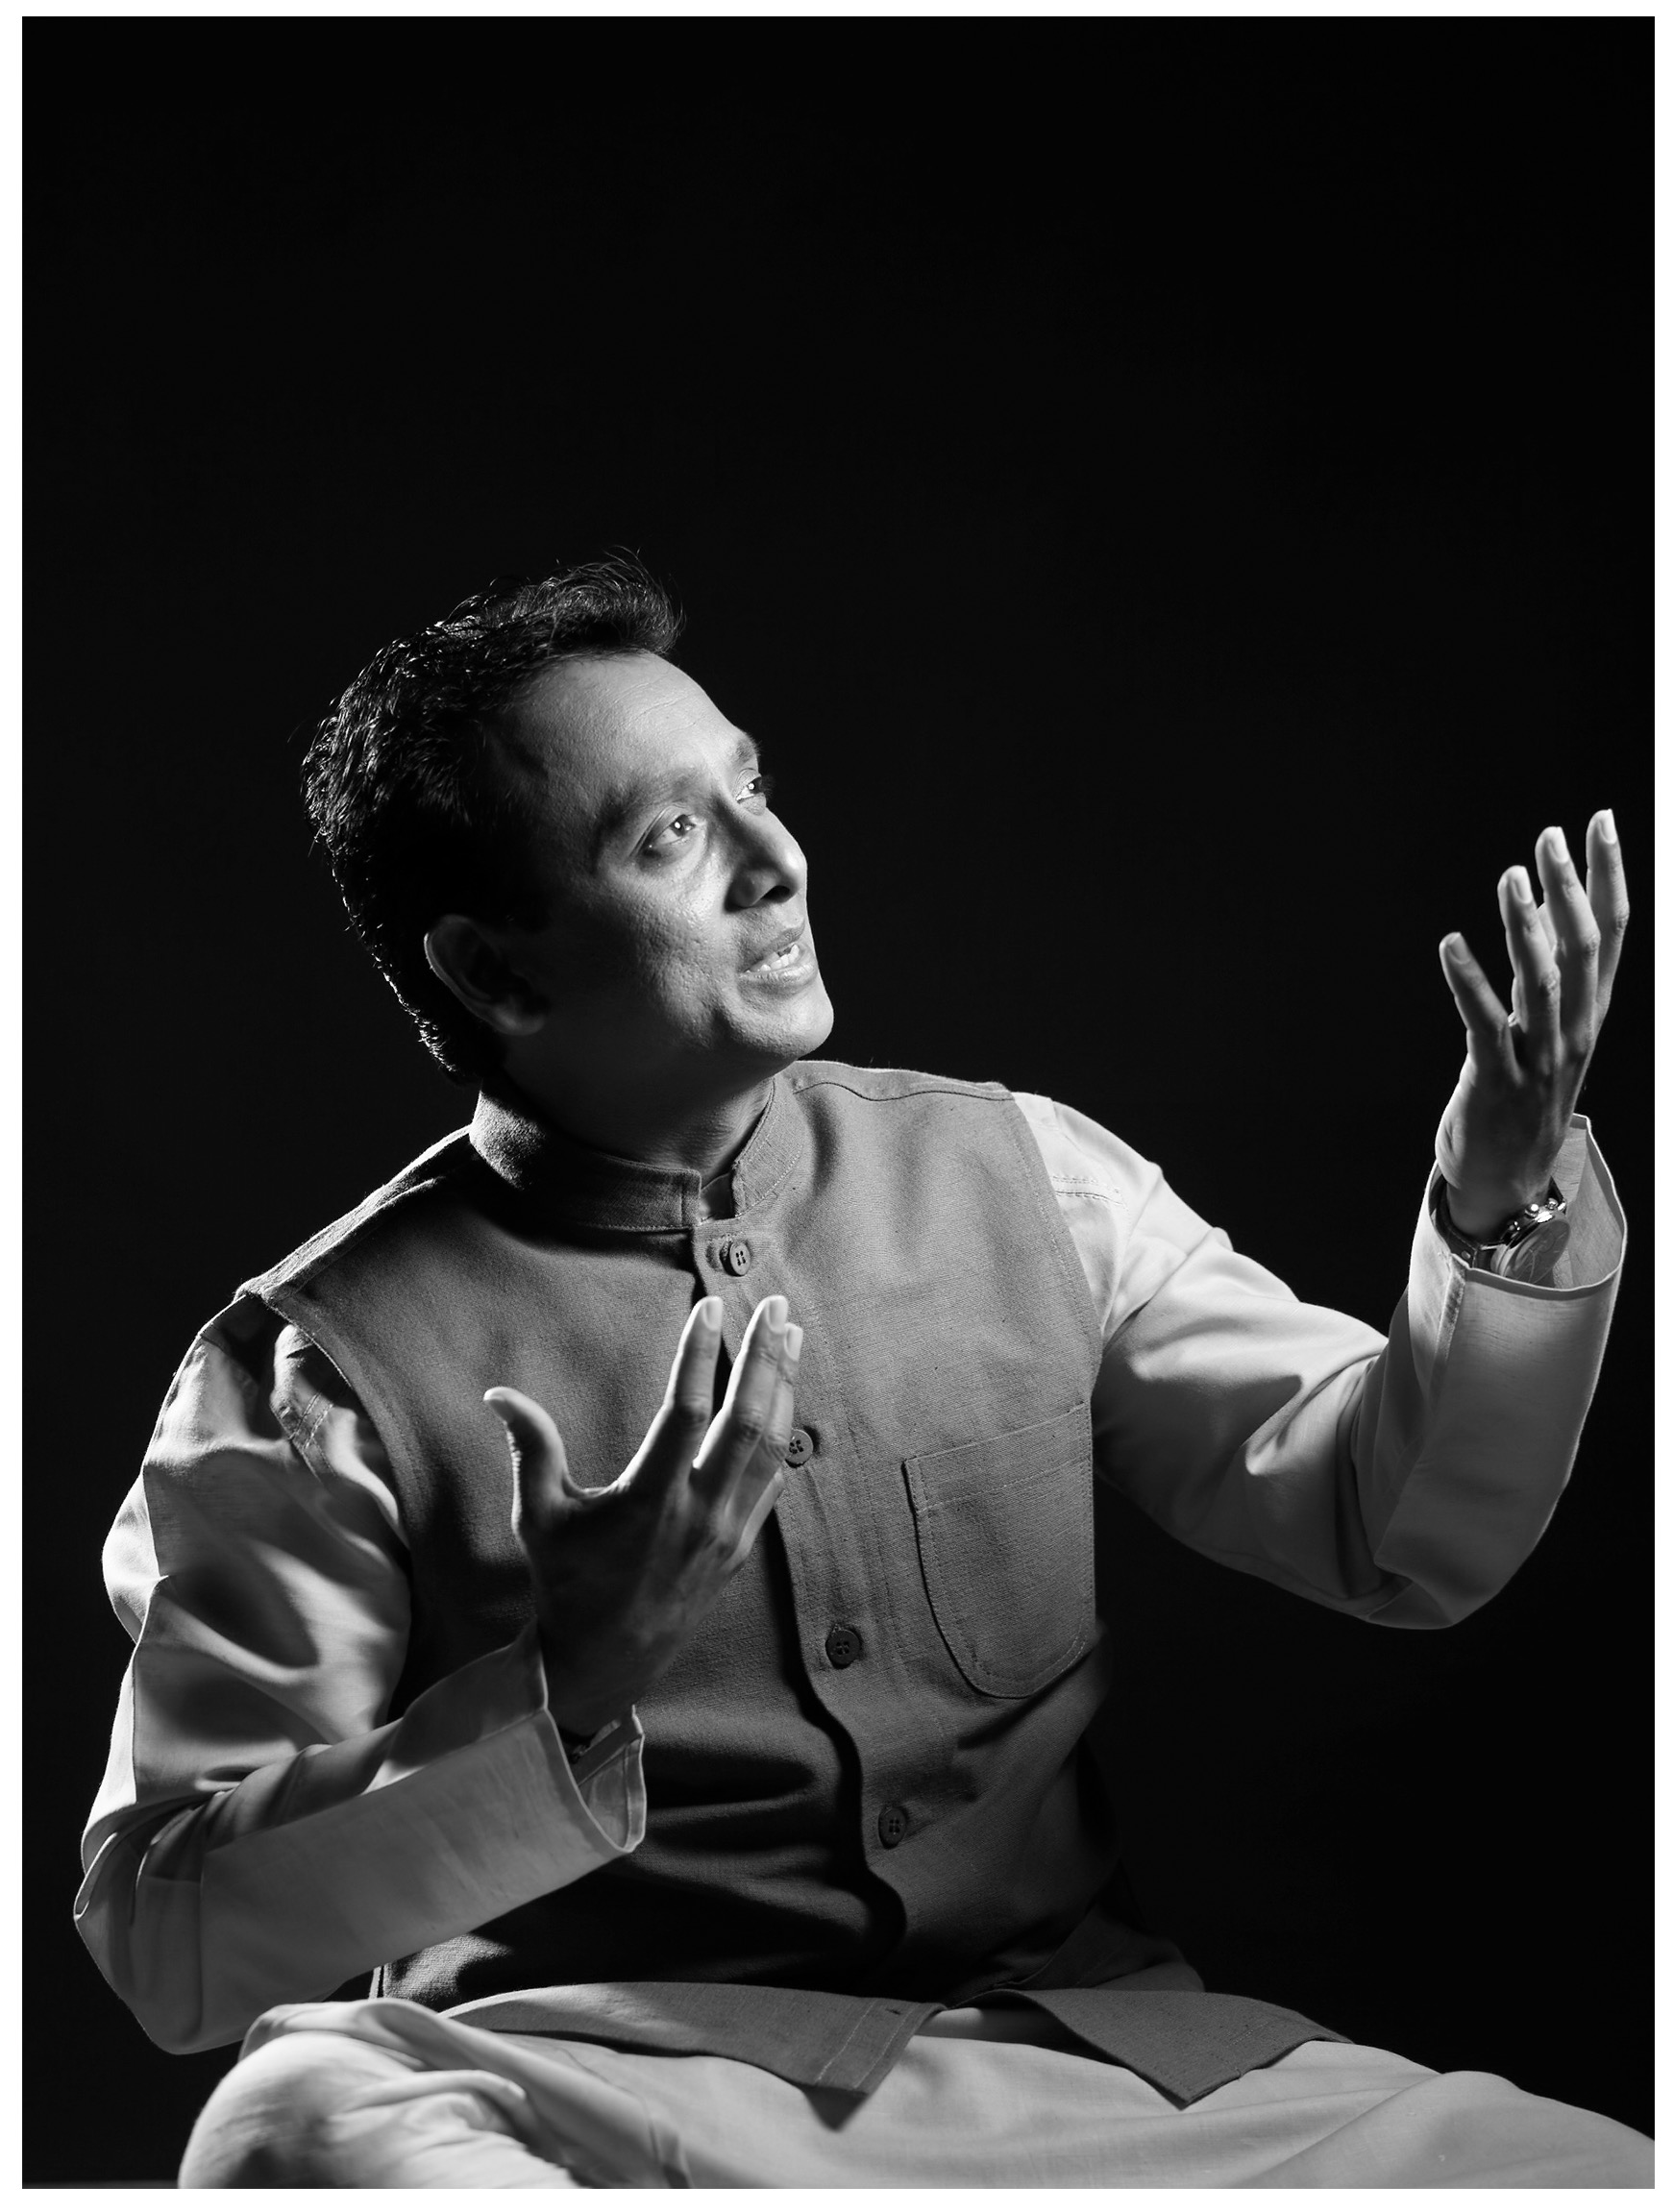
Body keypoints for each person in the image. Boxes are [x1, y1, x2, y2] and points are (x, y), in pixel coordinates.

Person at [78, 559, 1646, 2187]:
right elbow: (165, 1935)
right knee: (292, 2127)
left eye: (751, 789)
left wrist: (1499, 1203)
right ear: (495, 972)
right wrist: (563, 1686)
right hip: (592, 2082)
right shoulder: (312, 1371)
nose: (776, 862)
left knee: (1580, 2170)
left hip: (1088, 2075)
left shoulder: (1034, 1177)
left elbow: (1398, 1531)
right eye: (669, 836)